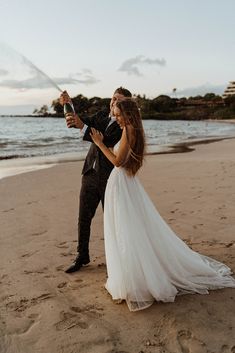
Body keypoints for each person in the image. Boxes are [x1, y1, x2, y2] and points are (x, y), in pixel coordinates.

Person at [90, 98, 235, 312]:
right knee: (128, 228)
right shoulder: (132, 128)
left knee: (126, 229)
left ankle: (136, 279)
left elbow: (117, 161)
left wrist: (100, 143)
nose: (117, 117)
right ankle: (132, 275)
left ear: (128, 114)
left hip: (122, 184)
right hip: (125, 184)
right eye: (116, 113)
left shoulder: (128, 130)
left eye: (119, 114)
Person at [59, 87, 132, 273]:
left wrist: (82, 127)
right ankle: (82, 255)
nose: (114, 102)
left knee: (112, 220)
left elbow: (105, 140)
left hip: (110, 179)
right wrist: (68, 104)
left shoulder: (125, 126)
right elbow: (83, 121)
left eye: (119, 100)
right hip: (89, 173)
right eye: (113, 98)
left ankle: (118, 259)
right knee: (83, 217)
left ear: (126, 104)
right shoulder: (101, 115)